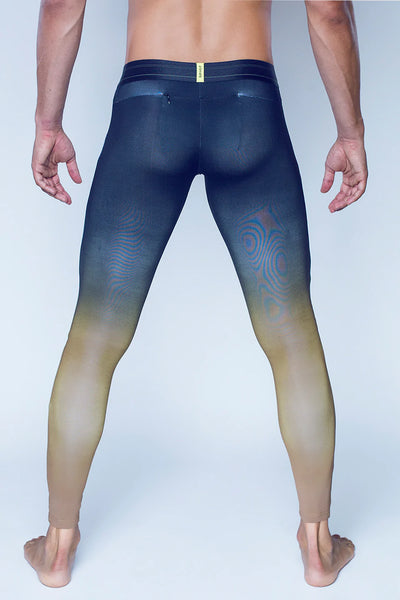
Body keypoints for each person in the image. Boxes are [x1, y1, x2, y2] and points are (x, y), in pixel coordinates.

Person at [24, 0, 368, 589]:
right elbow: (330, 13)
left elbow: (61, 7)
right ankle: (318, 547)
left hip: (148, 113)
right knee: (290, 332)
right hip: (249, 109)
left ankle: (57, 548)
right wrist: (351, 131)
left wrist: (48, 123)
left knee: (96, 335)